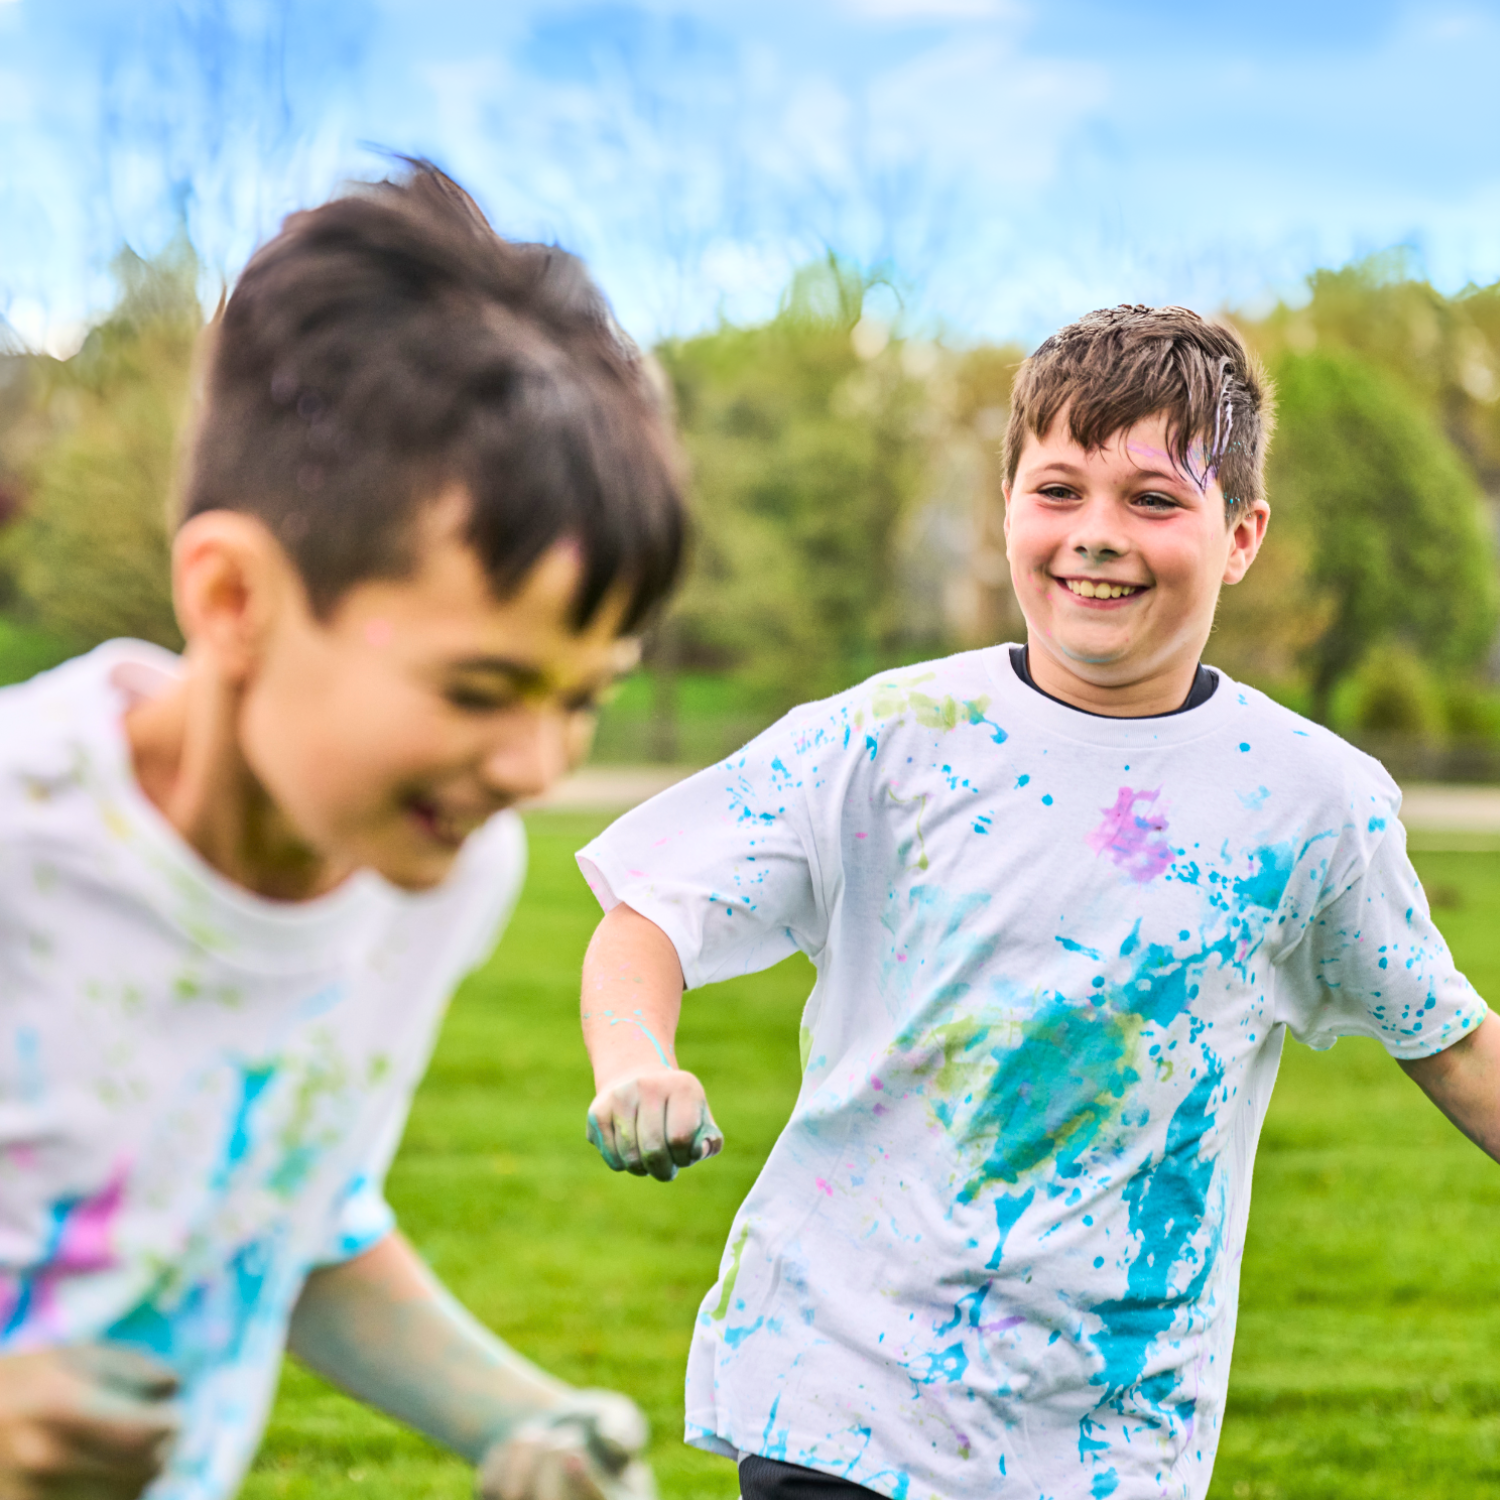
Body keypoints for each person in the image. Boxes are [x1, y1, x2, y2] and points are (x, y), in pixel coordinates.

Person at [574, 305, 1500, 1500]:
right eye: (1057, 491)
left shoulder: (1310, 799)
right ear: (1007, 504)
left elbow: (1457, 1045)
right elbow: (649, 912)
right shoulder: (890, 739)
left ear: (1241, 535)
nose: (1097, 537)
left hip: (1116, 1443)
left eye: (1155, 500)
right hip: (841, 1401)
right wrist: (634, 1061)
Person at [0, 163, 685, 1500]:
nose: (533, 767)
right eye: (479, 689)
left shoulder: (430, 877)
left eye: (582, 700)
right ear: (234, 596)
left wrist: (519, 1419)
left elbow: (284, 1212)